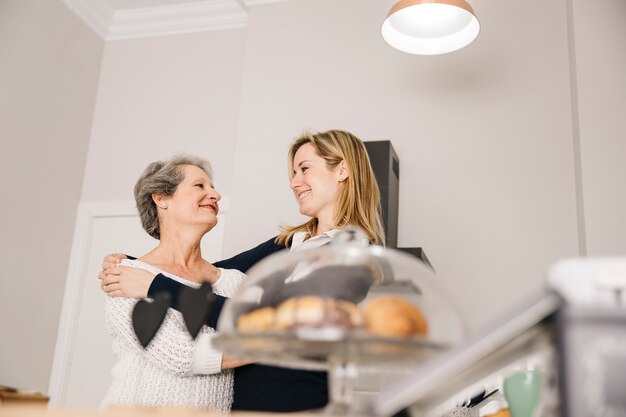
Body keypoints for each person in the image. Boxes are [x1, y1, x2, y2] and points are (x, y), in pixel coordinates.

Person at [99, 129, 385, 412]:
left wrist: (154, 283)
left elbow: (270, 323)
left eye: (304, 169)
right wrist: (135, 265)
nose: (294, 183)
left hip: (295, 406)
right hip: (243, 407)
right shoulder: (289, 243)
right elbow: (202, 271)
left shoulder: (352, 255)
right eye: (294, 174)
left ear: (342, 170)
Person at [100, 155, 248, 413]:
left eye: (212, 187)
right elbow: (179, 354)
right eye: (200, 186)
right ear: (162, 198)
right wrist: (278, 345)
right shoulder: (125, 276)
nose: (215, 194)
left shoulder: (235, 282)